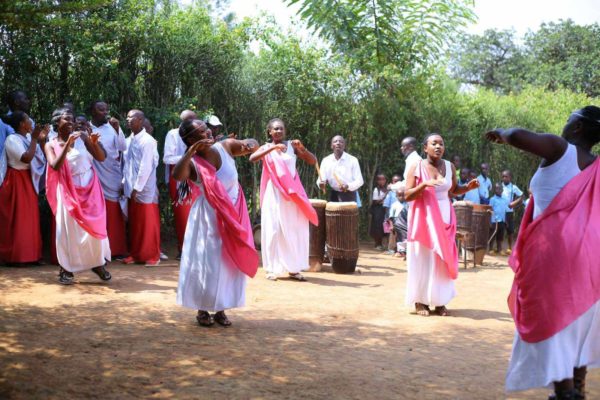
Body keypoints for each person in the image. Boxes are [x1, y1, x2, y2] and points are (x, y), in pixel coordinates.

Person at [485, 106, 600, 399]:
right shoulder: (596, 166)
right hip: (589, 259)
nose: (566, 124)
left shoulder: (561, 149)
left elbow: (517, 135)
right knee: (577, 324)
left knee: (555, 323)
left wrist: (502, 134)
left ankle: (565, 393)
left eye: (570, 119)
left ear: (577, 127)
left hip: (555, 256)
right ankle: (577, 389)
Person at [173, 119, 259, 327]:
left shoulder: (225, 146)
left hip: (235, 212)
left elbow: (252, 144)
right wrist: (190, 152)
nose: (208, 132)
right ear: (191, 140)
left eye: (207, 129)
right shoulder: (192, 162)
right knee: (208, 263)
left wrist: (250, 144)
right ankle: (202, 309)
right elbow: (178, 175)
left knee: (228, 262)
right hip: (209, 218)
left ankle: (221, 308)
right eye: (201, 131)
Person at [404, 133, 479, 317]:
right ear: (425, 148)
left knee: (441, 260)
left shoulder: (450, 166)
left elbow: (452, 191)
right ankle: (420, 301)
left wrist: (467, 188)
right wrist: (424, 185)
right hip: (423, 219)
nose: (438, 147)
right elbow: (407, 195)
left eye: (441, 144)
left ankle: (440, 302)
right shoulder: (416, 166)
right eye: (434, 143)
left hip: (445, 217)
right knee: (423, 258)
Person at [44, 107, 111, 285]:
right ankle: (66, 269)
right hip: (67, 190)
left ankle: (97, 264)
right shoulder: (50, 144)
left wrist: (94, 143)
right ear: (57, 122)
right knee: (68, 231)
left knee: (95, 228)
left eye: (72, 119)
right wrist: (67, 144)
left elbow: (101, 158)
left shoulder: (82, 138)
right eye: (66, 119)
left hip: (90, 187)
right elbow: (55, 166)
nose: (71, 122)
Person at [250, 118, 318, 281]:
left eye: (281, 128)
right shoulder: (266, 147)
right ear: (269, 132)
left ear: (285, 131)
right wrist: (272, 148)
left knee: (293, 229)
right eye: (275, 129)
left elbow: (312, 160)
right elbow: (252, 158)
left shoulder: (292, 147)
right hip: (274, 194)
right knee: (273, 230)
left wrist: (302, 148)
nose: (279, 131)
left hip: (292, 195)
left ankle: (293, 269)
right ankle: (271, 269)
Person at [0, 112, 48, 265]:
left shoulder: (27, 138)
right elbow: (26, 158)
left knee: (30, 219)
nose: (31, 122)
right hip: (16, 181)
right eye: (28, 119)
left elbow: (40, 157)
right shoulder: (12, 139)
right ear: (21, 124)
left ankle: (32, 255)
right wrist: (34, 139)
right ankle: (17, 256)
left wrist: (41, 140)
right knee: (19, 219)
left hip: (27, 179)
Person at [89, 100, 128, 259]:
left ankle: (116, 249)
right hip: (93, 173)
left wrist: (118, 129)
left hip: (111, 173)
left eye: (106, 109)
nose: (105, 112)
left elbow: (123, 147)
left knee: (113, 210)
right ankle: (97, 250)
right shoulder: (86, 127)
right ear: (92, 111)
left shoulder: (112, 127)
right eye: (101, 109)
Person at [122, 109, 161, 265]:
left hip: (143, 189)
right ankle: (136, 254)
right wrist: (125, 184)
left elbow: (146, 166)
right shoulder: (128, 140)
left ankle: (152, 255)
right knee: (135, 223)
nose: (128, 120)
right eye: (127, 117)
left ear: (140, 120)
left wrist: (137, 188)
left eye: (131, 117)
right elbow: (126, 165)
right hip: (131, 187)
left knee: (146, 222)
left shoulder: (148, 141)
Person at [163, 110, 198, 259]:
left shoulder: (198, 134)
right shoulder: (173, 134)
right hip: (180, 180)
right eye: (190, 121)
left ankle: (197, 249)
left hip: (196, 179)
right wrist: (188, 157)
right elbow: (167, 158)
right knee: (183, 215)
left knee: (196, 213)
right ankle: (183, 249)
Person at [317, 135, 364, 202]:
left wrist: (348, 186)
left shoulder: (353, 160)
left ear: (344, 146)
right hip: (334, 195)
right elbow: (321, 179)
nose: (338, 143)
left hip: (349, 195)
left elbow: (360, 181)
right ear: (331, 146)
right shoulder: (326, 161)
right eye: (335, 141)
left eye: (341, 141)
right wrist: (321, 184)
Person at [501, 169, 523, 255]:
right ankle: (500, 248)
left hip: (509, 212)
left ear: (510, 178)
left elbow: (521, 196)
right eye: (503, 176)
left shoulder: (513, 187)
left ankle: (510, 248)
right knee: (500, 229)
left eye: (506, 176)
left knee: (510, 230)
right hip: (500, 212)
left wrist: (514, 203)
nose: (504, 178)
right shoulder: (500, 186)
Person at [488, 182, 510, 255]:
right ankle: (491, 249)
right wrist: (490, 221)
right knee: (493, 235)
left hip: (502, 220)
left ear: (502, 190)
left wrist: (506, 220)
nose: (498, 190)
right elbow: (490, 210)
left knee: (500, 236)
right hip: (494, 221)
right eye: (496, 189)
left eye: (500, 188)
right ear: (494, 190)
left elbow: (504, 210)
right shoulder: (492, 199)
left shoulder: (504, 199)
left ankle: (499, 249)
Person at [383, 174, 402, 255]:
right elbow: (387, 205)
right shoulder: (390, 192)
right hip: (392, 216)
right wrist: (388, 217)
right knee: (391, 232)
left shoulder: (404, 192)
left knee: (401, 234)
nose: (394, 183)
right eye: (393, 181)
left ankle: (400, 250)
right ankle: (391, 249)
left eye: (396, 181)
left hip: (402, 217)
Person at [389, 185, 408, 258]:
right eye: (399, 195)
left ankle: (405, 251)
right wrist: (391, 225)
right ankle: (399, 251)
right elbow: (391, 217)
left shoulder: (408, 204)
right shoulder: (394, 205)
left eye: (403, 195)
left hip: (406, 223)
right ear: (396, 196)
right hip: (397, 223)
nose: (402, 197)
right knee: (398, 237)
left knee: (406, 237)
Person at [370, 173, 388, 250]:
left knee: (386, 225)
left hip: (386, 209)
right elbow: (375, 201)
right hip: (378, 210)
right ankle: (378, 243)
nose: (381, 181)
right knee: (378, 226)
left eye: (383, 179)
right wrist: (385, 196)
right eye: (379, 179)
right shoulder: (376, 189)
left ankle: (386, 244)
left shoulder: (389, 188)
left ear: (386, 180)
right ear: (377, 181)